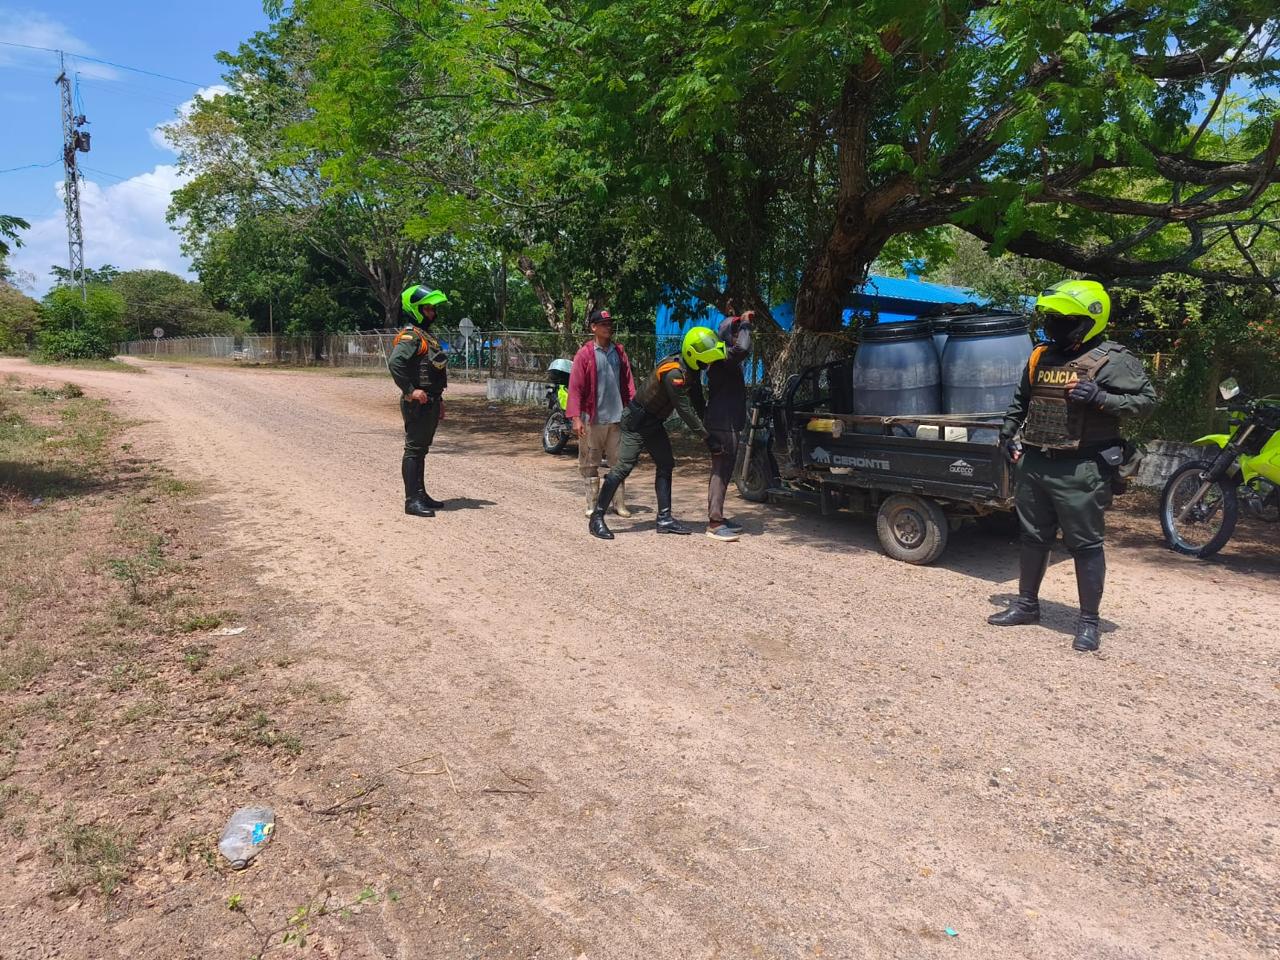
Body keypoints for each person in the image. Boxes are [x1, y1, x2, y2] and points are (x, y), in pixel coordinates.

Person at [988, 279, 1156, 652]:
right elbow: (1021, 400)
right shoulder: (1041, 356)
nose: (1055, 325)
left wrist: (1101, 398)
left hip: (1081, 469)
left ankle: (1089, 622)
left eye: (1066, 320)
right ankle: (1027, 605)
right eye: (1052, 318)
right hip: (1035, 462)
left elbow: (1147, 403)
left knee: (1085, 545)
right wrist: (1007, 435)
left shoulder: (1114, 360)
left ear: (1090, 321)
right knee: (1033, 537)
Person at [588, 326, 726, 540]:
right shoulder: (674, 373)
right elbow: (685, 410)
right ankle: (596, 518)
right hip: (637, 422)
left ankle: (664, 519)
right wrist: (707, 438)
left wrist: (709, 425)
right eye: (705, 360)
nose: (708, 365)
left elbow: (698, 400)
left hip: (653, 423)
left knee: (666, 464)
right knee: (623, 468)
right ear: (693, 355)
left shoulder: (691, 369)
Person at [566, 309, 636, 519]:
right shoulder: (585, 354)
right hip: (592, 419)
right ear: (593, 327)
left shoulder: (619, 352)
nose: (608, 327)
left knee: (619, 463)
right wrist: (576, 418)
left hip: (617, 418)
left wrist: (633, 409)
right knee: (589, 462)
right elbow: (575, 387)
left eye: (610, 324)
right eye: (603, 324)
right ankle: (592, 504)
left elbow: (629, 383)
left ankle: (619, 503)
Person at [388, 284, 450, 517]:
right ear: (415, 309)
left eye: (433, 309)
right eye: (428, 309)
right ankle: (412, 500)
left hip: (430, 402)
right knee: (414, 450)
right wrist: (410, 391)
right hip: (417, 404)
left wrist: (439, 400)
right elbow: (395, 363)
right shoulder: (411, 336)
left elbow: (433, 371)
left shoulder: (426, 336)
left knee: (421, 450)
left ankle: (421, 494)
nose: (433, 313)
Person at [704, 309, 753, 541]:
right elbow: (743, 348)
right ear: (725, 336)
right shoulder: (721, 357)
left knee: (724, 471)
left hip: (728, 423)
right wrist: (745, 323)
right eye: (735, 331)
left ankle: (719, 517)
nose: (739, 335)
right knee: (720, 471)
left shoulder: (726, 358)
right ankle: (714, 523)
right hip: (722, 425)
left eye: (739, 330)